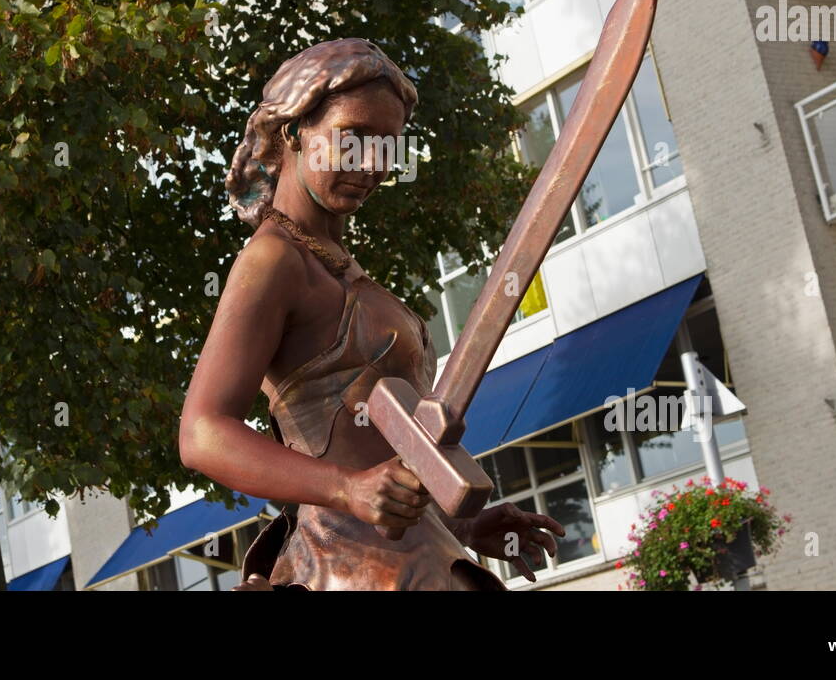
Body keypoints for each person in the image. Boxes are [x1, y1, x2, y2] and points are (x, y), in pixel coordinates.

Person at [179, 37, 564, 590]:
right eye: (353, 139)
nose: (372, 166)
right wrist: (347, 489)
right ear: (293, 132)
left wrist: (464, 517)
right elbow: (201, 433)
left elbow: (384, 447)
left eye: (388, 147)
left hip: (420, 559)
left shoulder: (339, 265)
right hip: (347, 569)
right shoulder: (272, 260)